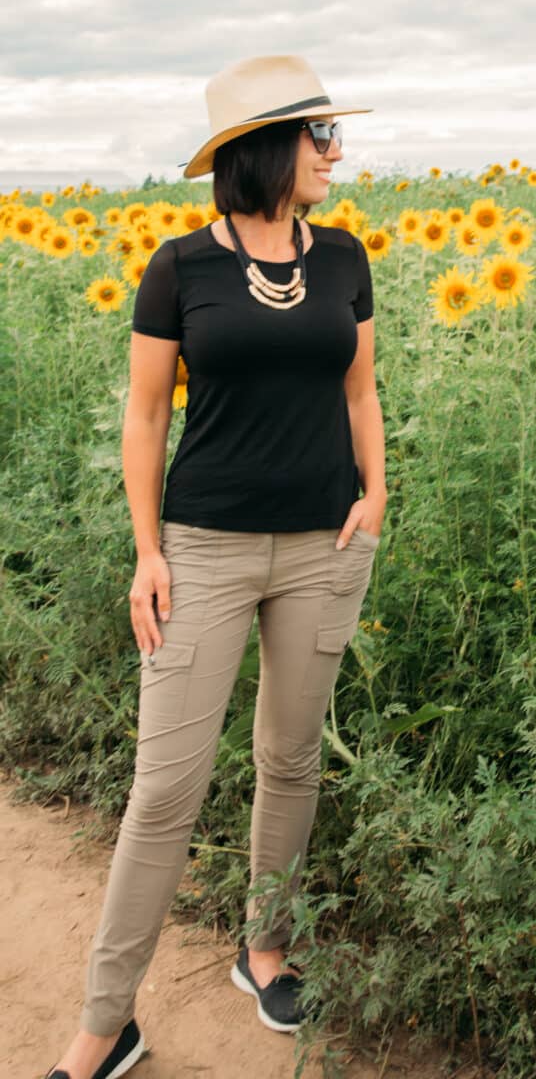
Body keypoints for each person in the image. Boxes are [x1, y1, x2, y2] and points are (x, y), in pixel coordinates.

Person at [45, 54, 387, 1079]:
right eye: (319, 135)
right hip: (204, 550)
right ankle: (107, 1024)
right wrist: (147, 551)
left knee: (290, 761)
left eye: (332, 134)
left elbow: (361, 390)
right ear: (265, 150)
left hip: (325, 546)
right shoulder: (179, 267)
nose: (336, 151)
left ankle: (264, 948)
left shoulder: (344, 260)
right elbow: (147, 415)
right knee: (164, 793)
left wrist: (375, 493)